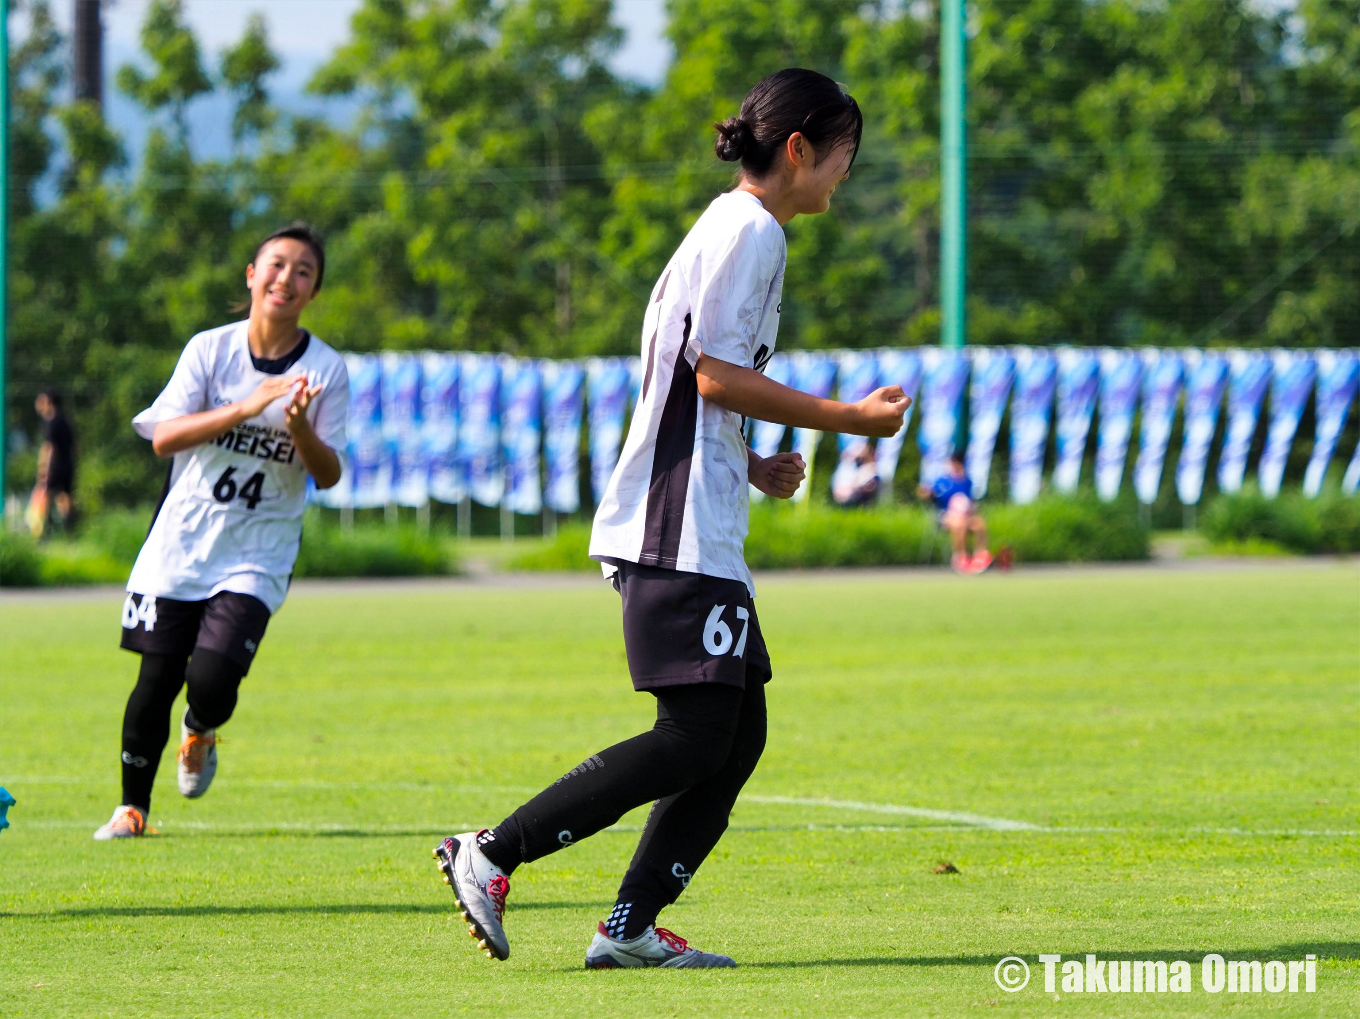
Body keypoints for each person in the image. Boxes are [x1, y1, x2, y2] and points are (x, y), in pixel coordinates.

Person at [432, 69, 909, 969]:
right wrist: (852, 418)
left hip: (697, 514)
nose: (849, 173)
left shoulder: (734, 230)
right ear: (800, 148)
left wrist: (748, 459)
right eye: (846, 153)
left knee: (733, 734)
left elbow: (698, 384)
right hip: (675, 526)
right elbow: (715, 375)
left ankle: (629, 928)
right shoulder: (750, 230)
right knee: (694, 735)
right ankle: (492, 853)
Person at [93, 223, 348, 840]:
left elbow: (330, 473)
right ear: (252, 275)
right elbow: (163, 437)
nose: (287, 278)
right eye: (277, 265)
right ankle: (132, 809)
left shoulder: (326, 370)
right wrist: (245, 406)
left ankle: (201, 728)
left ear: (314, 292)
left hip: (258, 550)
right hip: (180, 543)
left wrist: (300, 428)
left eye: (304, 271)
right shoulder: (210, 350)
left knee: (210, 678)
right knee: (155, 677)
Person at [917, 451, 991, 573]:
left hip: (966, 515)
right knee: (959, 522)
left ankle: (980, 555)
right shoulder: (942, 481)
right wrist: (926, 493)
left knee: (979, 523)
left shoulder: (966, 482)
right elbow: (928, 494)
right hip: (945, 515)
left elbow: (970, 501)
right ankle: (960, 556)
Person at [28, 389, 76, 536]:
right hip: (67, 464)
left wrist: (43, 469)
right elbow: (75, 446)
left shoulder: (51, 421)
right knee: (64, 497)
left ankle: (42, 532)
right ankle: (71, 530)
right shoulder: (65, 420)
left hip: (54, 466)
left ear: (48, 401)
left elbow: (49, 447)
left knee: (45, 497)